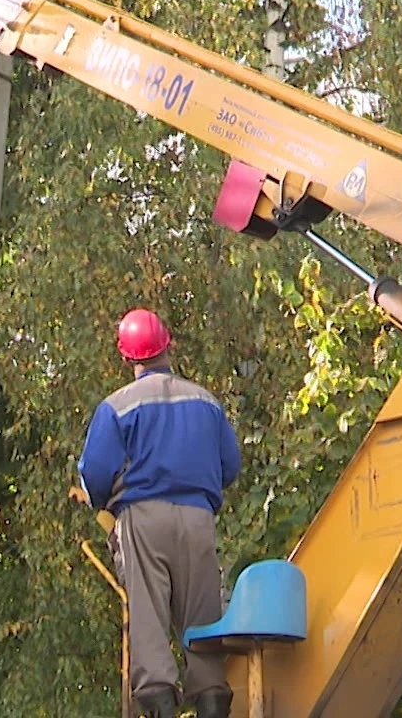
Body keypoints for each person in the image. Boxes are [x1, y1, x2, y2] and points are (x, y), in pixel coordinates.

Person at [77, 308, 241, 718]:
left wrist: (101, 502)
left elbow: (95, 474)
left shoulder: (116, 407)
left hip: (143, 519)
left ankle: (159, 704)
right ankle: (212, 699)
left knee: (149, 616)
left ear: (126, 356)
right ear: (167, 345)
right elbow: (231, 466)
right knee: (201, 618)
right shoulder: (205, 401)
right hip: (198, 518)